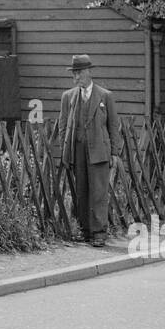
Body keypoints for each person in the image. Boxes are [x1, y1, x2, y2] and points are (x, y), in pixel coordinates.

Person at [55, 54, 122, 247]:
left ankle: (99, 232)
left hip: (100, 152)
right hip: (77, 151)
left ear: (88, 72)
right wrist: (65, 149)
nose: (76, 78)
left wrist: (114, 153)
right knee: (81, 191)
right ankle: (85, 230)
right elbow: (62, 125)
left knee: (99, 193)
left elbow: (113, 125)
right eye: (73, 74)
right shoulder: (68, 97)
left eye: (78, 74)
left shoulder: (105, 96)